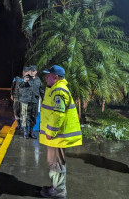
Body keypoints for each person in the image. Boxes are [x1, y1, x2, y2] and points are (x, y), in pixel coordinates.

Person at [39, 65, 82, 198]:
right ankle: (56, 187)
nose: (46, 77)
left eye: (48, 75)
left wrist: (50, 132)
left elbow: (58, 114)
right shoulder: (56, 89)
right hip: (56, 136)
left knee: (56, 163)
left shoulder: (59, 91)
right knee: (54, 163)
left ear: (55, 77)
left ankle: (58, 192)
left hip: (57, 137)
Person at [18, 65, 44, 139]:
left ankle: (31, 132)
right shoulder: (25, 78)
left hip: (34, 102)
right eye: (30, 71)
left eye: (33, 71)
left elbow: (41, 90)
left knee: (33, 117)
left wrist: (44, 99)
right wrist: (24, 82)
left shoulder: (38, 80)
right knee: (25, 117)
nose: (32, 72)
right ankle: (25, 132)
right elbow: (20, 86)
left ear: (36, 71)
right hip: (26, 101)